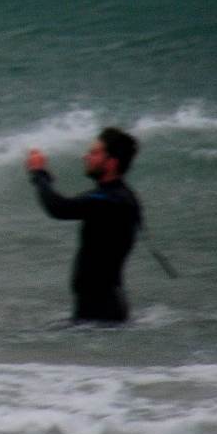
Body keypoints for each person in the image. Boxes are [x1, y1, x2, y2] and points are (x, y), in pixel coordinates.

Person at [25, 127, 143, 323]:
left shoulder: (109, 200)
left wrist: (39, 173)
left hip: (102, 312)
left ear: (111, 162)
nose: (86, 157)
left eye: (94, 153)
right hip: (100, 309)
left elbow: (59, 208)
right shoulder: (120, 197)